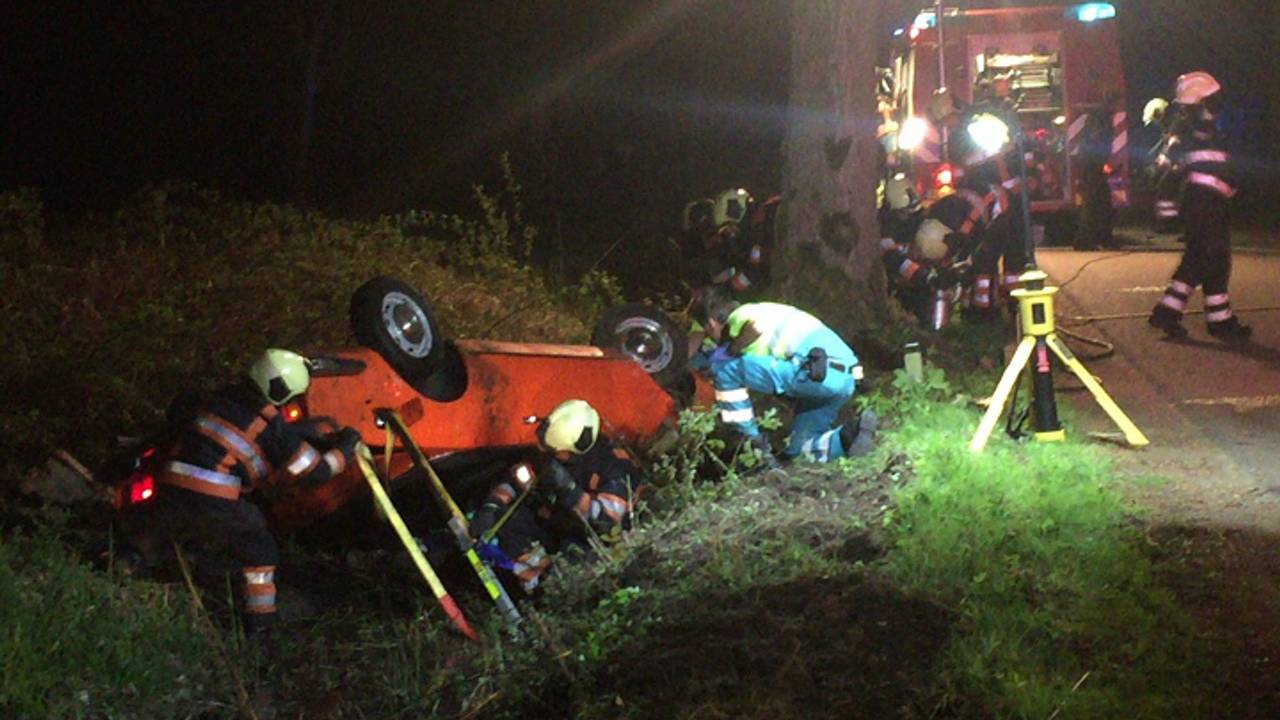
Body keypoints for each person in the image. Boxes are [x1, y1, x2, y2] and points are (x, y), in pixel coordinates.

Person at [117, 348, 362, 642]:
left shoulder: (217, 397)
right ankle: (261, 628)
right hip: (213, 496)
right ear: (284, 393)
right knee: (259, 547)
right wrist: (345, 449)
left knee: (149, 533)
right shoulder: (270, 426)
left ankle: (123, 564)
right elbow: (317, 472)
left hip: (170, 485)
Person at [469, 399, 644, 595]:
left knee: (569, 567)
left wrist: (569, 490)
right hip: (555, 521)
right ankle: (508, 568)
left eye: (554, 452)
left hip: (589, 544)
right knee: (510, 521)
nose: (546, 454)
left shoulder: (616, 468)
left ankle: (538, 592)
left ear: (573, 451)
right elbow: (520, 475)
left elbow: (607, 523)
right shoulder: (554, 451)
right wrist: (494, 503)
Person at [692, 291, 876, 465]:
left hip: (817, 373)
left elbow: (757, 327)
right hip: (844, 379)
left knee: (724, 370)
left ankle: (755, 444)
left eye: (709, 333)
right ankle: (850, 435)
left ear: (711, 323)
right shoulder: (770, 309)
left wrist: (732, 351)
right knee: (799, 451)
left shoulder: (741, 315)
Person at [1148, 71, 1251, 342]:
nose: (1218, 108)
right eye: (1213, 102)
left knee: (1194, 260)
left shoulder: (1202, 132)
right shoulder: (1187, 134)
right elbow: (1167, 174)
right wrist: (1167, 213)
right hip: (1203, 207)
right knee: (1216, 261)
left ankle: (1166, 313)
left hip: (1208, 205)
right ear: (1201, 105)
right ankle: (1221, 322)